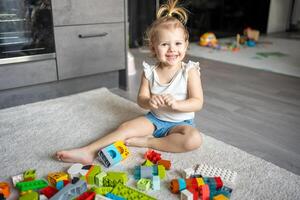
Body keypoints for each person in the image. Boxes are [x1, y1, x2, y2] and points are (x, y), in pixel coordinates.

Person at [56, 0, 204, 165]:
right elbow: (141, 100)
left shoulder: (189, 71)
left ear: (185, 45)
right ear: (154, 48)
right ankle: (87, 151)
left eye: (178, 43)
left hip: (181, 124)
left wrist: (177, 105)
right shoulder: (150, 72)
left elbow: (197, 103)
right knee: (125, 127)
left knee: (194, 139)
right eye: (164, 44)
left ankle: (149, 142)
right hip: (155, 120)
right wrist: (149, 101)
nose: (172, 49)